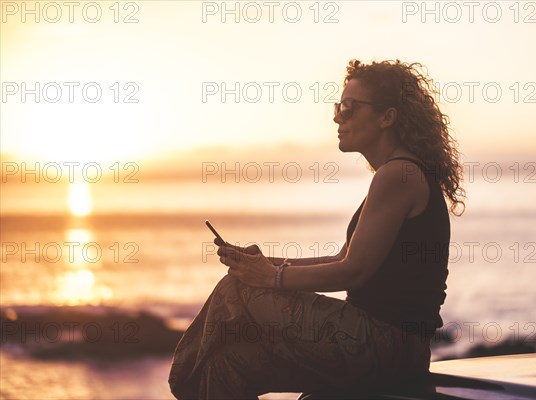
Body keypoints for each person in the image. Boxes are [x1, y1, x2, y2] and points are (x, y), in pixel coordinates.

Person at [169, 59, 465, 399]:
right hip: (379, 346)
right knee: (229, 364)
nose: (338, 117)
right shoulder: (396, 174)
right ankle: (192, 376)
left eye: (350, 108)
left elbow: (352, 272)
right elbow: (345, 257)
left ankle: (182, 375)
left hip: (387, 345)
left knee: (235, 289)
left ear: (387, 117)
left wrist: (269, 277)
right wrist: (267, 263)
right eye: (339, 107)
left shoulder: (398, 175)